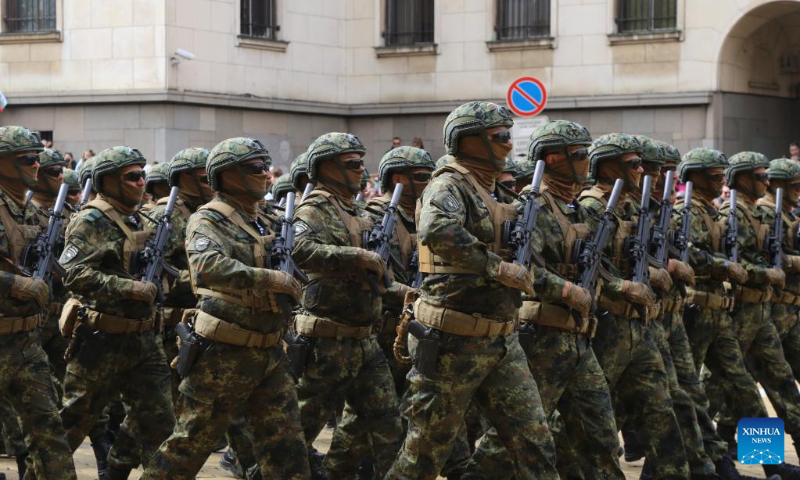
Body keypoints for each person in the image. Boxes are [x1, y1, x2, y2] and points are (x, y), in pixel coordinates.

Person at [386, 102, 559, 479]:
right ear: (469, 141)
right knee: (423, 456)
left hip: (502, 340)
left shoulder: (495, 190)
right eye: (500, 136)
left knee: (535, 443)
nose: (509, 144)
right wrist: (498, 268)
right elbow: (437, 230)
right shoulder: (448, 184)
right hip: (452, 341)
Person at [466, 120, 624, 479]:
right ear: (553, 159)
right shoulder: (531, 208)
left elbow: (598, 266)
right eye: (580, 154)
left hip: (583, 335)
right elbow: (521, 269)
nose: (587, 161)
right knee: (514, 440)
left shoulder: (576, 209)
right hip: (544, 339)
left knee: (603, 434)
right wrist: (566, 290)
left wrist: (621, 286)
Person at [59, 146, 176, 479]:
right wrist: (129, 288)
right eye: (132, 176)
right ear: (108, 181)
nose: (141, 182)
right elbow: (72, 273)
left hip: (145, 339)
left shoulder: (140, 218)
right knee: (71, 425)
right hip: (102, 339)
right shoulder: (90, 220)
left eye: (142, 175)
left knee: (161, 424)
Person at [290, 132, 403, 479]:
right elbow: (299, 249)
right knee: (297, 433)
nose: (361, 170)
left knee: (388, 426)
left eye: (361, 162)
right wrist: (356, 256)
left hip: (365, 340)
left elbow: (378, 271)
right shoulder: (314, 208)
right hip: (328, 342)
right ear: (327, 167)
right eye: (352, 163)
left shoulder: (357, 210)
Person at [580, 133, 689, 478]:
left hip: (648, 322)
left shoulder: (631, 206)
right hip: (610, 324)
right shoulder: (593, 207)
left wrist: (663, 267)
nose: (647, 173)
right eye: (636, 165)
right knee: (593, 422)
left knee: (672, 408)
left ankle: (728, 462)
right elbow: (586, 264)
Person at [710, 152, 800, 470]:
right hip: (737, 313)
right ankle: (659, 464)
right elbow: (731, 263)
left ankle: (769, 463)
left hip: (760, 312)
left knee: (778, 383)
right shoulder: (732, 215)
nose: (765, 183)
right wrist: (768, 272)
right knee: (712, 391)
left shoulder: (757, 215)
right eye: (761, 177)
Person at [0, 126, 77, 480]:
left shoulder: (29, 211)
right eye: (27, 159)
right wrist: (19, 284)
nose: (36, 165)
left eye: (37, 158)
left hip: (26, 343)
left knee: (50, 439)